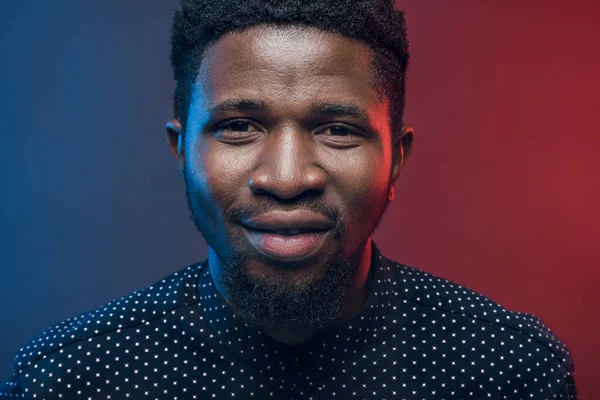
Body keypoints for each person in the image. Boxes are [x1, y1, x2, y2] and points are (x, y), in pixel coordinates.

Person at [1, 0, 578, 398]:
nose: (286, 176)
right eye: (238, 126)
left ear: (396, 159)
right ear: (181, 151)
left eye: (337, 129)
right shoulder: (72, 379)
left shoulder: (508, 370)